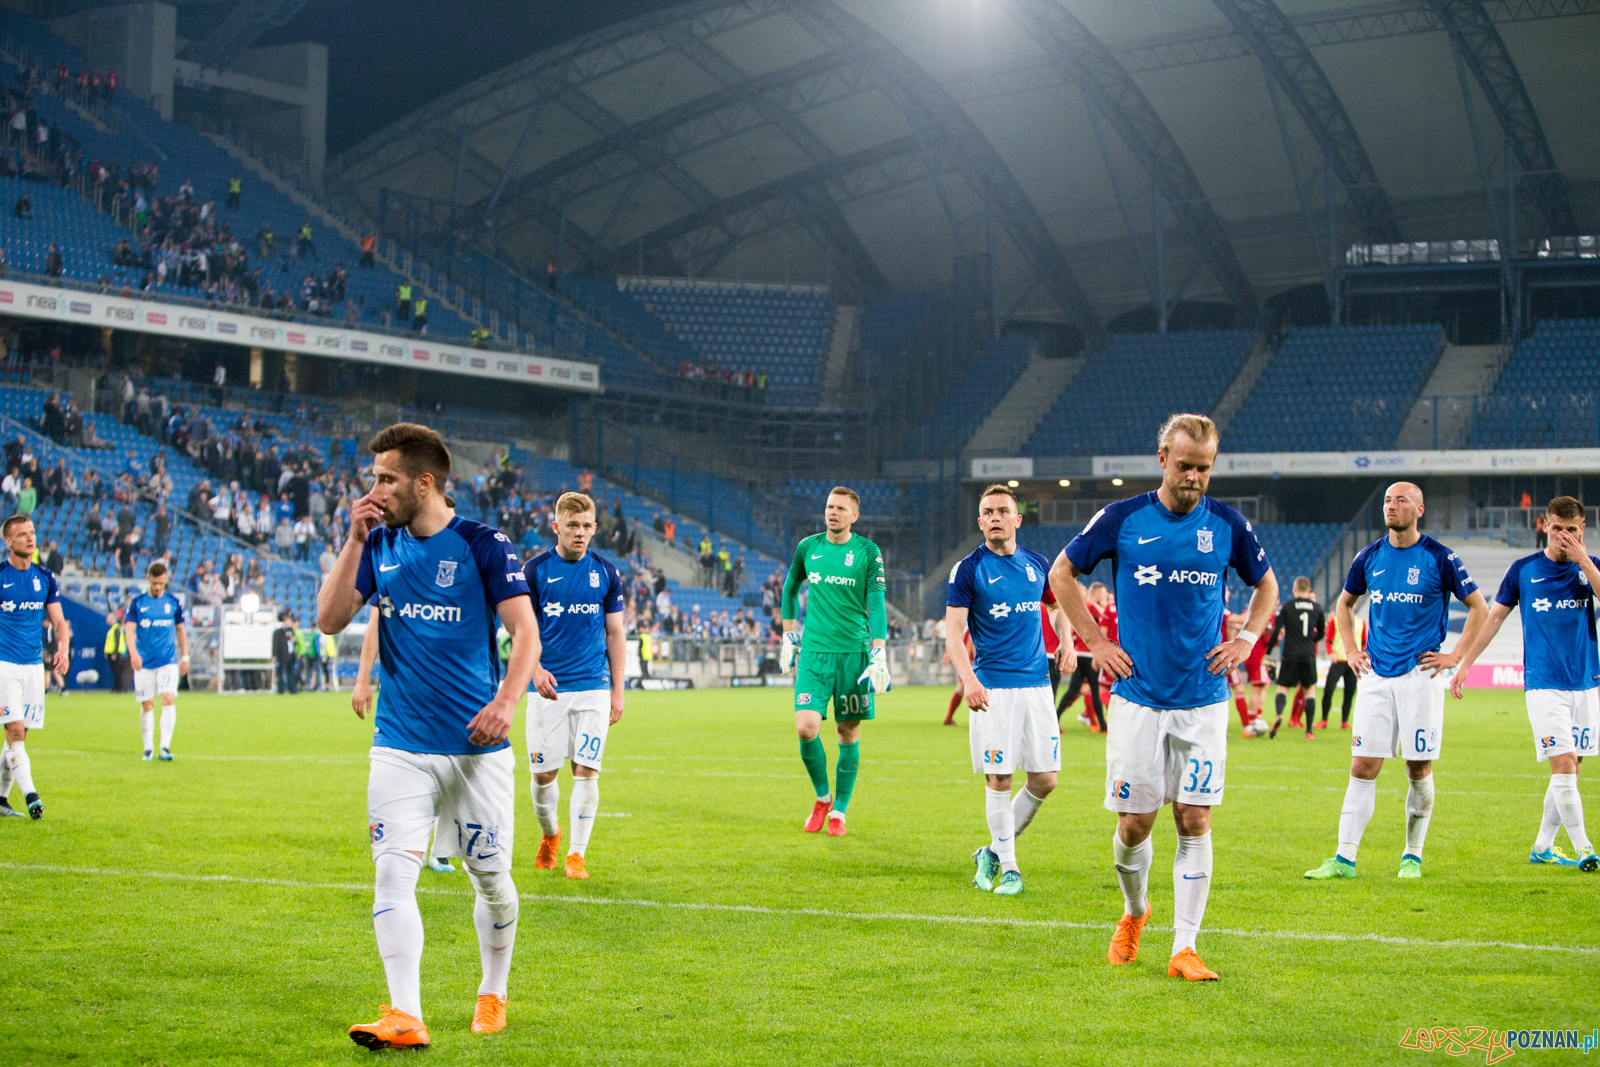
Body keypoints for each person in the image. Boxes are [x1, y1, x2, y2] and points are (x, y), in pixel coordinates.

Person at [317, 422, 542, 1047]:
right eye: (374, 479)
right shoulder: (378, 543)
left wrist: (506, 701)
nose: (375, 490)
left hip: (476, 748)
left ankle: (493, 991)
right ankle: (405, 1014)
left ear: (424, 483)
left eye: (387, 479)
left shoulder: (482, 544)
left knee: (491, 880)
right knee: (392, 873)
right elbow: (329, 619)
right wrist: (352, 540)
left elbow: (525, 633)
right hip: (399, 744)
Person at [1050, 413, 1277, 982]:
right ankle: (1135, 911)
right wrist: (1096, 642)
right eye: (1184, 466)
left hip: (1203, 698)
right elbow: (1061, 573)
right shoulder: (1122, 518)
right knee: (1135, 825)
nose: (1193, 477)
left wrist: (1246, 639)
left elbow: (1267, 585)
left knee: (1194, 818)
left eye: (1204, 468)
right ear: (1162, 460)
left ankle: (1185, 947)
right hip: (1138, 698)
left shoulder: (1227, 524)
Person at [1305, 482, 1488, 883]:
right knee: (1362, 764)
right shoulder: (1369, 556)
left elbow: (1479, 607)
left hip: (1420, 676)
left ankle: (1412, 855)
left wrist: (1454, 656)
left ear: (1419, 509)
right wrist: (1351, 648)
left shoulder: (1440, 557)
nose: (1391, 505)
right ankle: (1344, 858)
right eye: (1388, 500)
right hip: (1375, 674)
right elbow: (1344, 603)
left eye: (1401, 500)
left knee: (1417, 766)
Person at [1449, 496, 1598, 871]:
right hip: (1543, 683)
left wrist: (1583, 561)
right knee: (1563, 764)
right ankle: (1585, 849)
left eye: (1571, 530)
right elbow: (1494, 619)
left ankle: (1543, 846)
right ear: (1544, 526)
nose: (1563, 536)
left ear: (1582, 530)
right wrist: (1466, 663)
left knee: (1573, 766)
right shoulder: (1523, 570)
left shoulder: (1590, 567)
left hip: (1585, 682)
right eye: (1557, 528)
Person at [946, 485, 1060, 896]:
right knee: (1000, 777)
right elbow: (953, 634)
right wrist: (969, 680)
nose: (995, 517)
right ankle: (1010, 868)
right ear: (980, 522)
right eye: (988, 512)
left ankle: (991, 852)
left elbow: (1056, 605)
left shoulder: (1037, 563)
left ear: (1017, 519)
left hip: (1038, 687)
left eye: (1002, 510)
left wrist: (1066, 641)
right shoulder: (968, 569)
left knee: (1045, 779)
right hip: (994, 687)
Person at [523, 491, 625, 880]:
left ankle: (576, 855)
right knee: (543, 776)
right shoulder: (534, 571)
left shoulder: (607, 573)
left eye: (585, 526)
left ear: (594, 528)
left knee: (586, 769)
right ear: (556, 527)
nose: (579, 533)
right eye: (572, 525)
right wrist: (534, 670)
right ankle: (551, 834)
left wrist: (617, 690)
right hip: (547, 687)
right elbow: (521, 629)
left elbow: (615, 633)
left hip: (593, 685)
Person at [779, 486, 889, 837]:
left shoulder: (868, 552)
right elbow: (789, 589)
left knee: (847, 731)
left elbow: (877, 605)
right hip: (813, 654)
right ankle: (822, 797)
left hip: (854, 655)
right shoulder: (808, 548)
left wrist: (879, 651)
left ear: (854, 516)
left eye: (841, 508)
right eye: (829, 506)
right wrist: (788, 635)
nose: (833, 512)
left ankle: (839, 811)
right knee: (805, 726)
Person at [0, 516, 71, 820]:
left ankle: (1, 799)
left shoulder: (44, 577)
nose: (30, 538)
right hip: (4, 664)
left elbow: (59, 622)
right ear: (8, 542)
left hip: (32, 667)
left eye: (31, 532)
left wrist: (63, 648)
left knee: (18, 737)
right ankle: (31, 796)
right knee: (15, 730)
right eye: (22, 534)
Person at [123, 561, 188, 761]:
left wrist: (185, 656)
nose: (158, 587)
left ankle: (165, 747)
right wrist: (133, 653)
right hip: (144, 662)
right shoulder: (138, 602)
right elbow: (129, 630)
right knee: (148, 704)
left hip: (167, 660)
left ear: (166, 579)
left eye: (161, 583)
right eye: (154, 583)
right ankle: (148, 748)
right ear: (148, 579)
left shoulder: (173, 602)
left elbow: (180, 629)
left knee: (168, 698)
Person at [1266, 578, 1325, 741]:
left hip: (1290, 654)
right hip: (1308, 655)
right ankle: (1309, 731)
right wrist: (1310, 641)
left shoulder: (1286, 606)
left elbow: (1276, 630)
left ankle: (1279, 715)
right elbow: (1322, 632)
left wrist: (1268, 653)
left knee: (1282, 689)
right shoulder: (1317, 608)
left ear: (1295, 589)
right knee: (1309, 691)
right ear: (1308, 589)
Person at [1056, 581, 1110, 732]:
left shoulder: (1079, 607)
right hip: (1089, 654)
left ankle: (1056, 718)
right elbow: (1105, 621)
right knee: (1095, 690)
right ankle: (1102, 725)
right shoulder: (1092, 607)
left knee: (1073, 690)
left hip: (1079, 652)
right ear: (1097, 594)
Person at [1321, 613, 1366, 730]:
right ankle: (1324, 720)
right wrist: (1331, 653)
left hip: (1353, 662)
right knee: (1328, 690)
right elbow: (1328, 640)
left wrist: (1362, 655)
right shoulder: (1335, 621)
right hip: (1338, 661)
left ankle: (1344, 721)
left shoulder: (1361, 622)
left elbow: (1364, 642)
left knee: (1350, 692)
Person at [273, 611, 298, 694]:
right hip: (282, 655)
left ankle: (292, 689)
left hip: (291, 654)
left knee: (291, 672)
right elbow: (275, 644)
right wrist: (274, 655)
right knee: (281, 673)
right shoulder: (278, 632)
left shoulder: (291, 631)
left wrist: (294, 641)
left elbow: (294, 643)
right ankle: (281, 689)